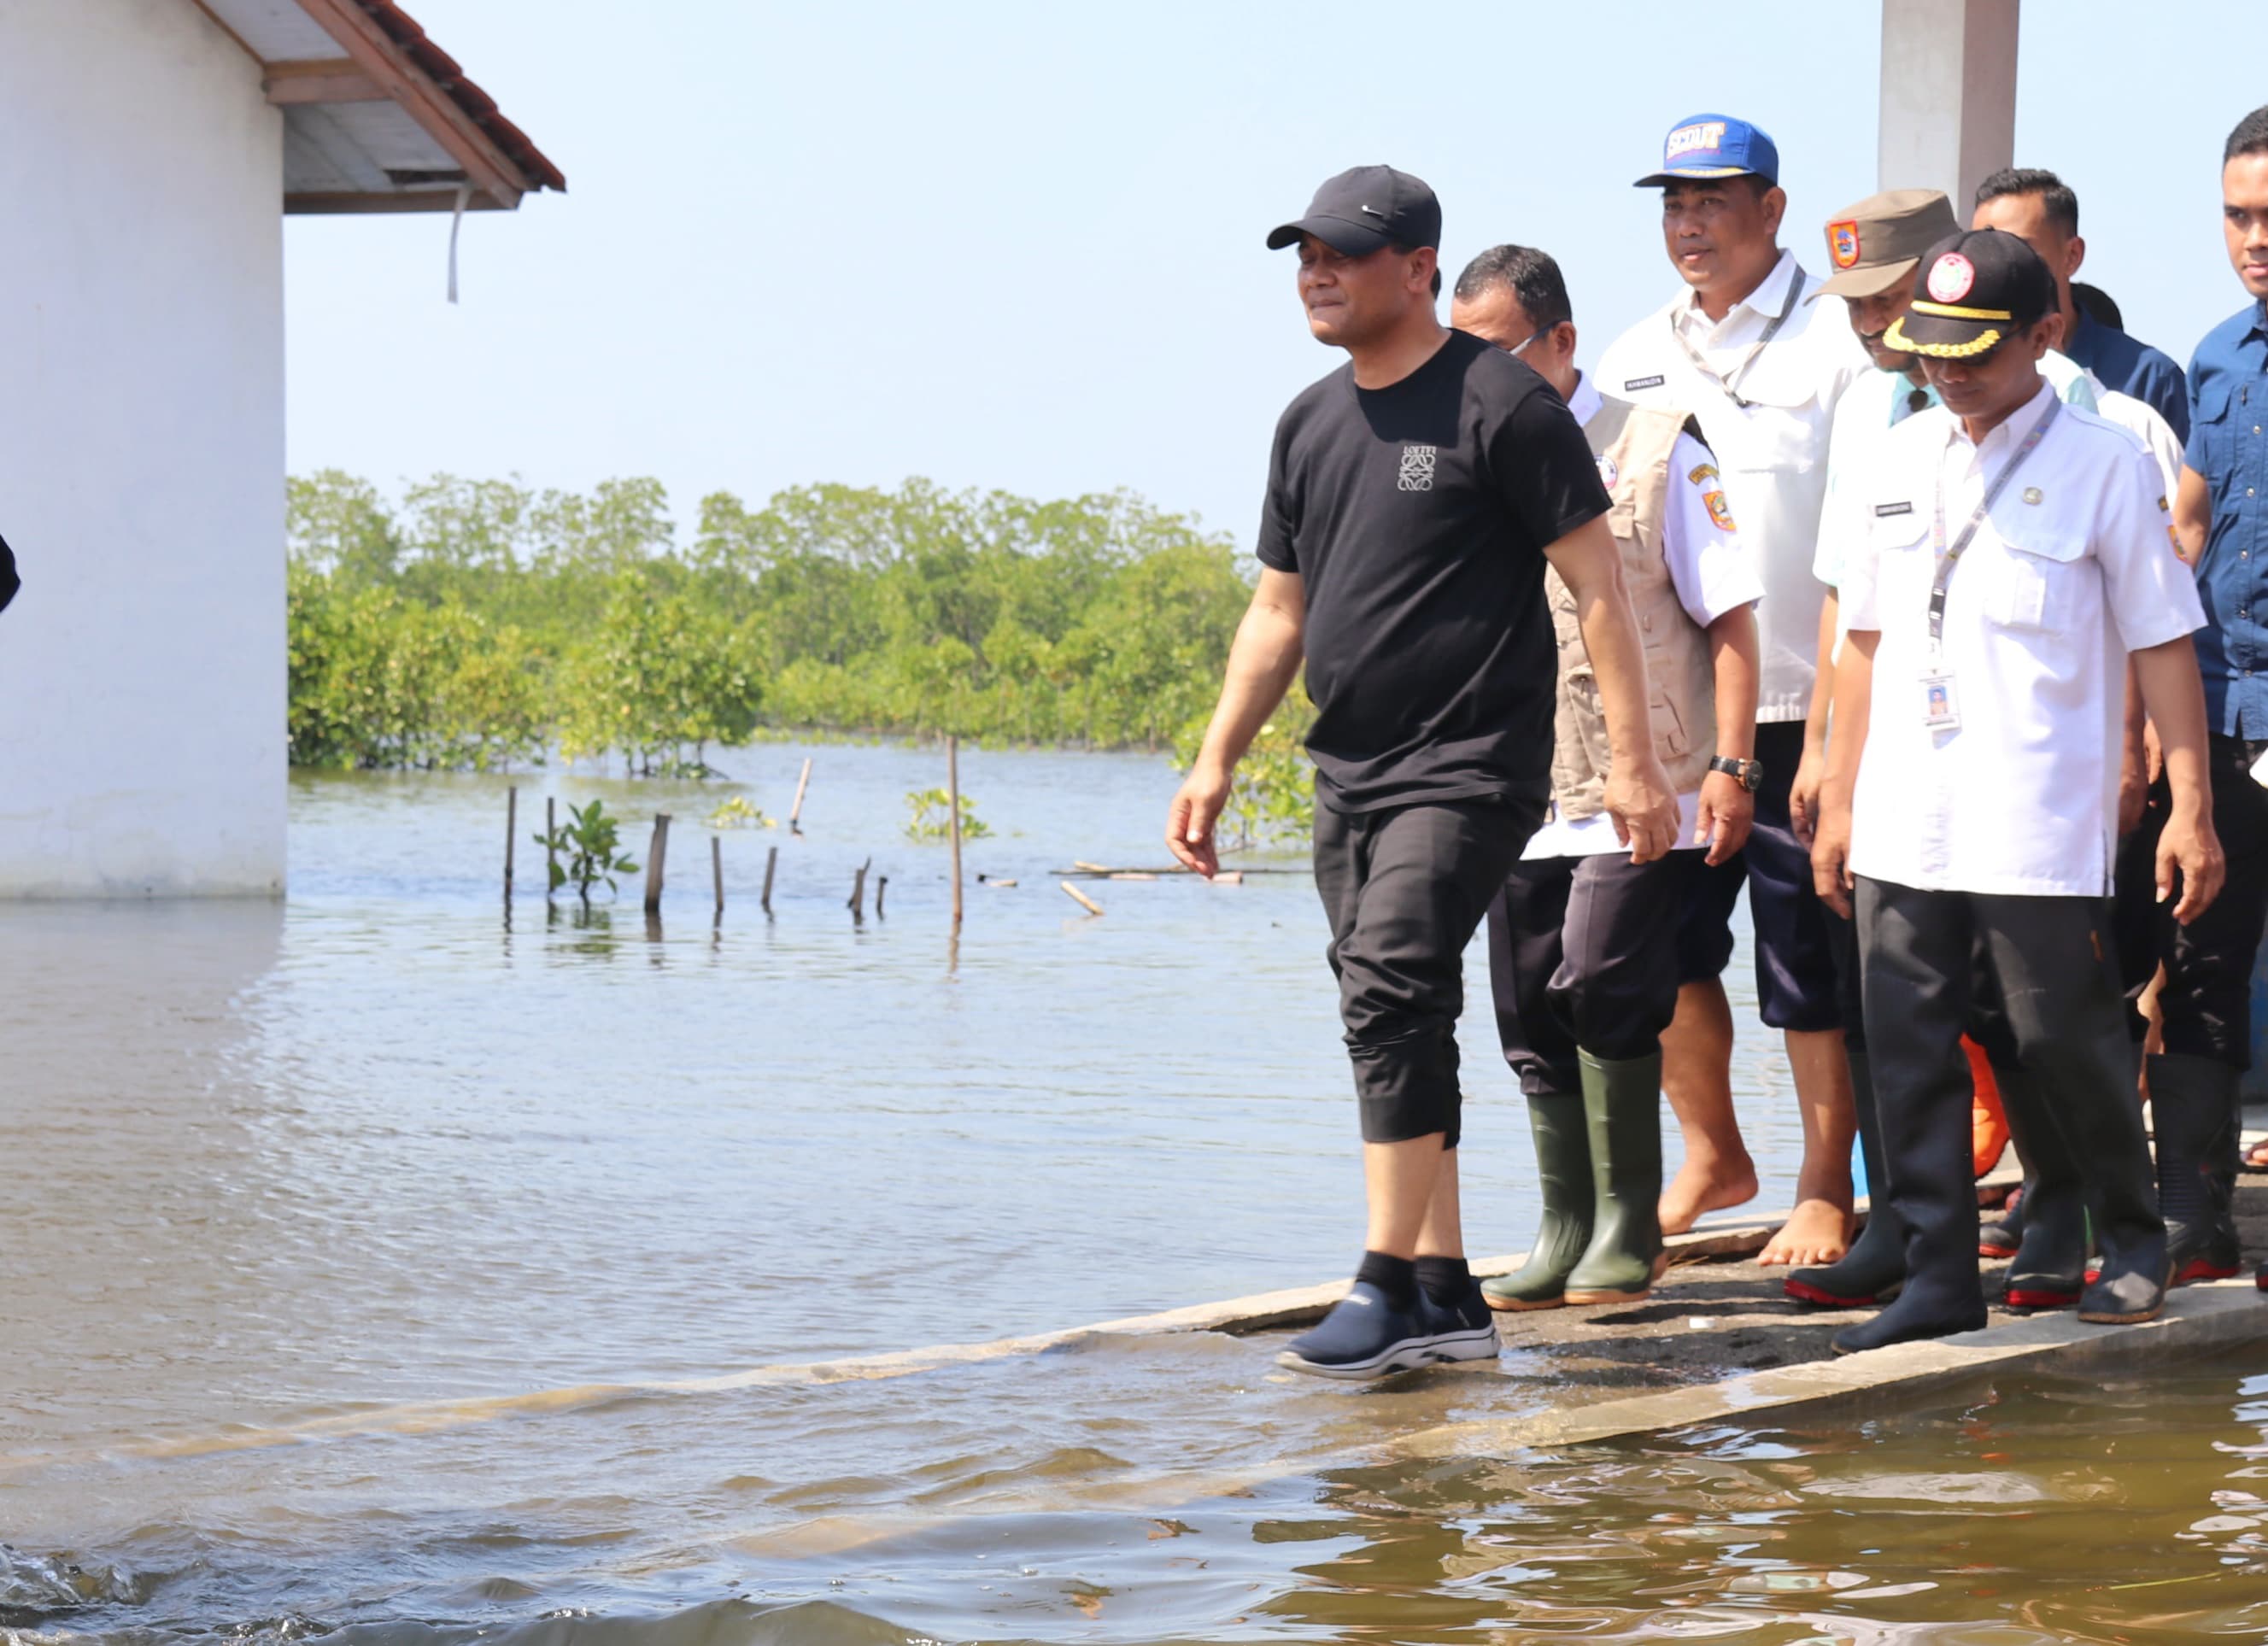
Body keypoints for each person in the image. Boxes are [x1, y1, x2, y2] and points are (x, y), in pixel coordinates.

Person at [1166, 166, 1677, 1380]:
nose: (1316, 273)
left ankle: (1383, 1277)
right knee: (1391, 1001)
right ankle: (1445, 1287)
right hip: (1348, 763)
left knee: (1390, 978)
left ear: (1414, 270)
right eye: (1304, 255)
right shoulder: (1307, 421)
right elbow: (1276, 609)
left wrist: (1633, 766)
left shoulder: (1499, 403)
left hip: (1470, 762)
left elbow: (1597, 590)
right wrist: (1212, 758)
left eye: (1342, 253)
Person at [1810, 227, 2224, 1354]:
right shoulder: (1897, 458)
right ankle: (1935, 1272)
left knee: (2061, 1039)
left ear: (2042, 334)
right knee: (1906, 1049)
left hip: (2036, 816)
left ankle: (2129, 1235)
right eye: (1929, 350)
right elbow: (1860, 641)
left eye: (1972, 351)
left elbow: (2161, 645)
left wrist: (2186, 801)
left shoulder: (2105, 459)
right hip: (1904, 810)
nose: (1945, 371)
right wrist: (1837, 790)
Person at [1448, 245, 1763, 1311]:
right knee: (1528, 1005)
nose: (1475, 381)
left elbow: (1729, 618)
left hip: (1648, 782)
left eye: (1495, 355)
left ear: (1562, 342)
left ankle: (1630, 1223)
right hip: (1520, 782)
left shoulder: (1659, 446)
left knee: (1604, 981)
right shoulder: (1470, 461)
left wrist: (1731, 762)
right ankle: (1565, 1222)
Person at [1596, 114, 1870, 1268]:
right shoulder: (1627, 355)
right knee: (1649, 948)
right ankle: (1712, 1153)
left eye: (1712, 200)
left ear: (1770, 209)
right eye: (1672, 202)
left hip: (1799, 708)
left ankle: (1821, 1185)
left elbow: (1857, 541)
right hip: (1668, 719)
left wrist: (1828, 743)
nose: (1688, 223)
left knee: (1806, 956)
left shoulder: (1836, 346)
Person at [2130, 104, 2268, 1280]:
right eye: (2234, 214)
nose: (2253, 238)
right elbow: (2186, 524)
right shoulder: (2216, 353)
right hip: (2223, 714)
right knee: (2199, 955)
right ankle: (2194, 1222)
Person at [1973, 167, 2189, 442]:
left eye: (2019, 250)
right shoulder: (1955, 377)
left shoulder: (2149, 379)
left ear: (2072, 255)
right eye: (1981, 250)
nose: (1996, 267)